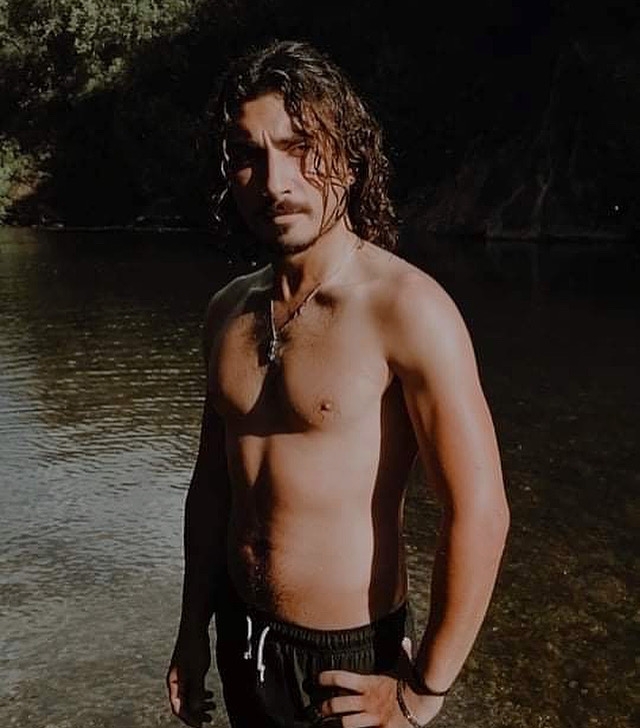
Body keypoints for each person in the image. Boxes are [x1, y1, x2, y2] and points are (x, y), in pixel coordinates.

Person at [166, 38, 510, 728]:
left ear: (350, 159)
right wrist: (191, 630)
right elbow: (212, 489)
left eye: (299, 148)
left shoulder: (406, 309)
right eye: (248, 154)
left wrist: (423, 691)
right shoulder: (227, 311)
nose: (275, 181)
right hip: (241, 632)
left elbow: (480, 510)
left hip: (347, 662)